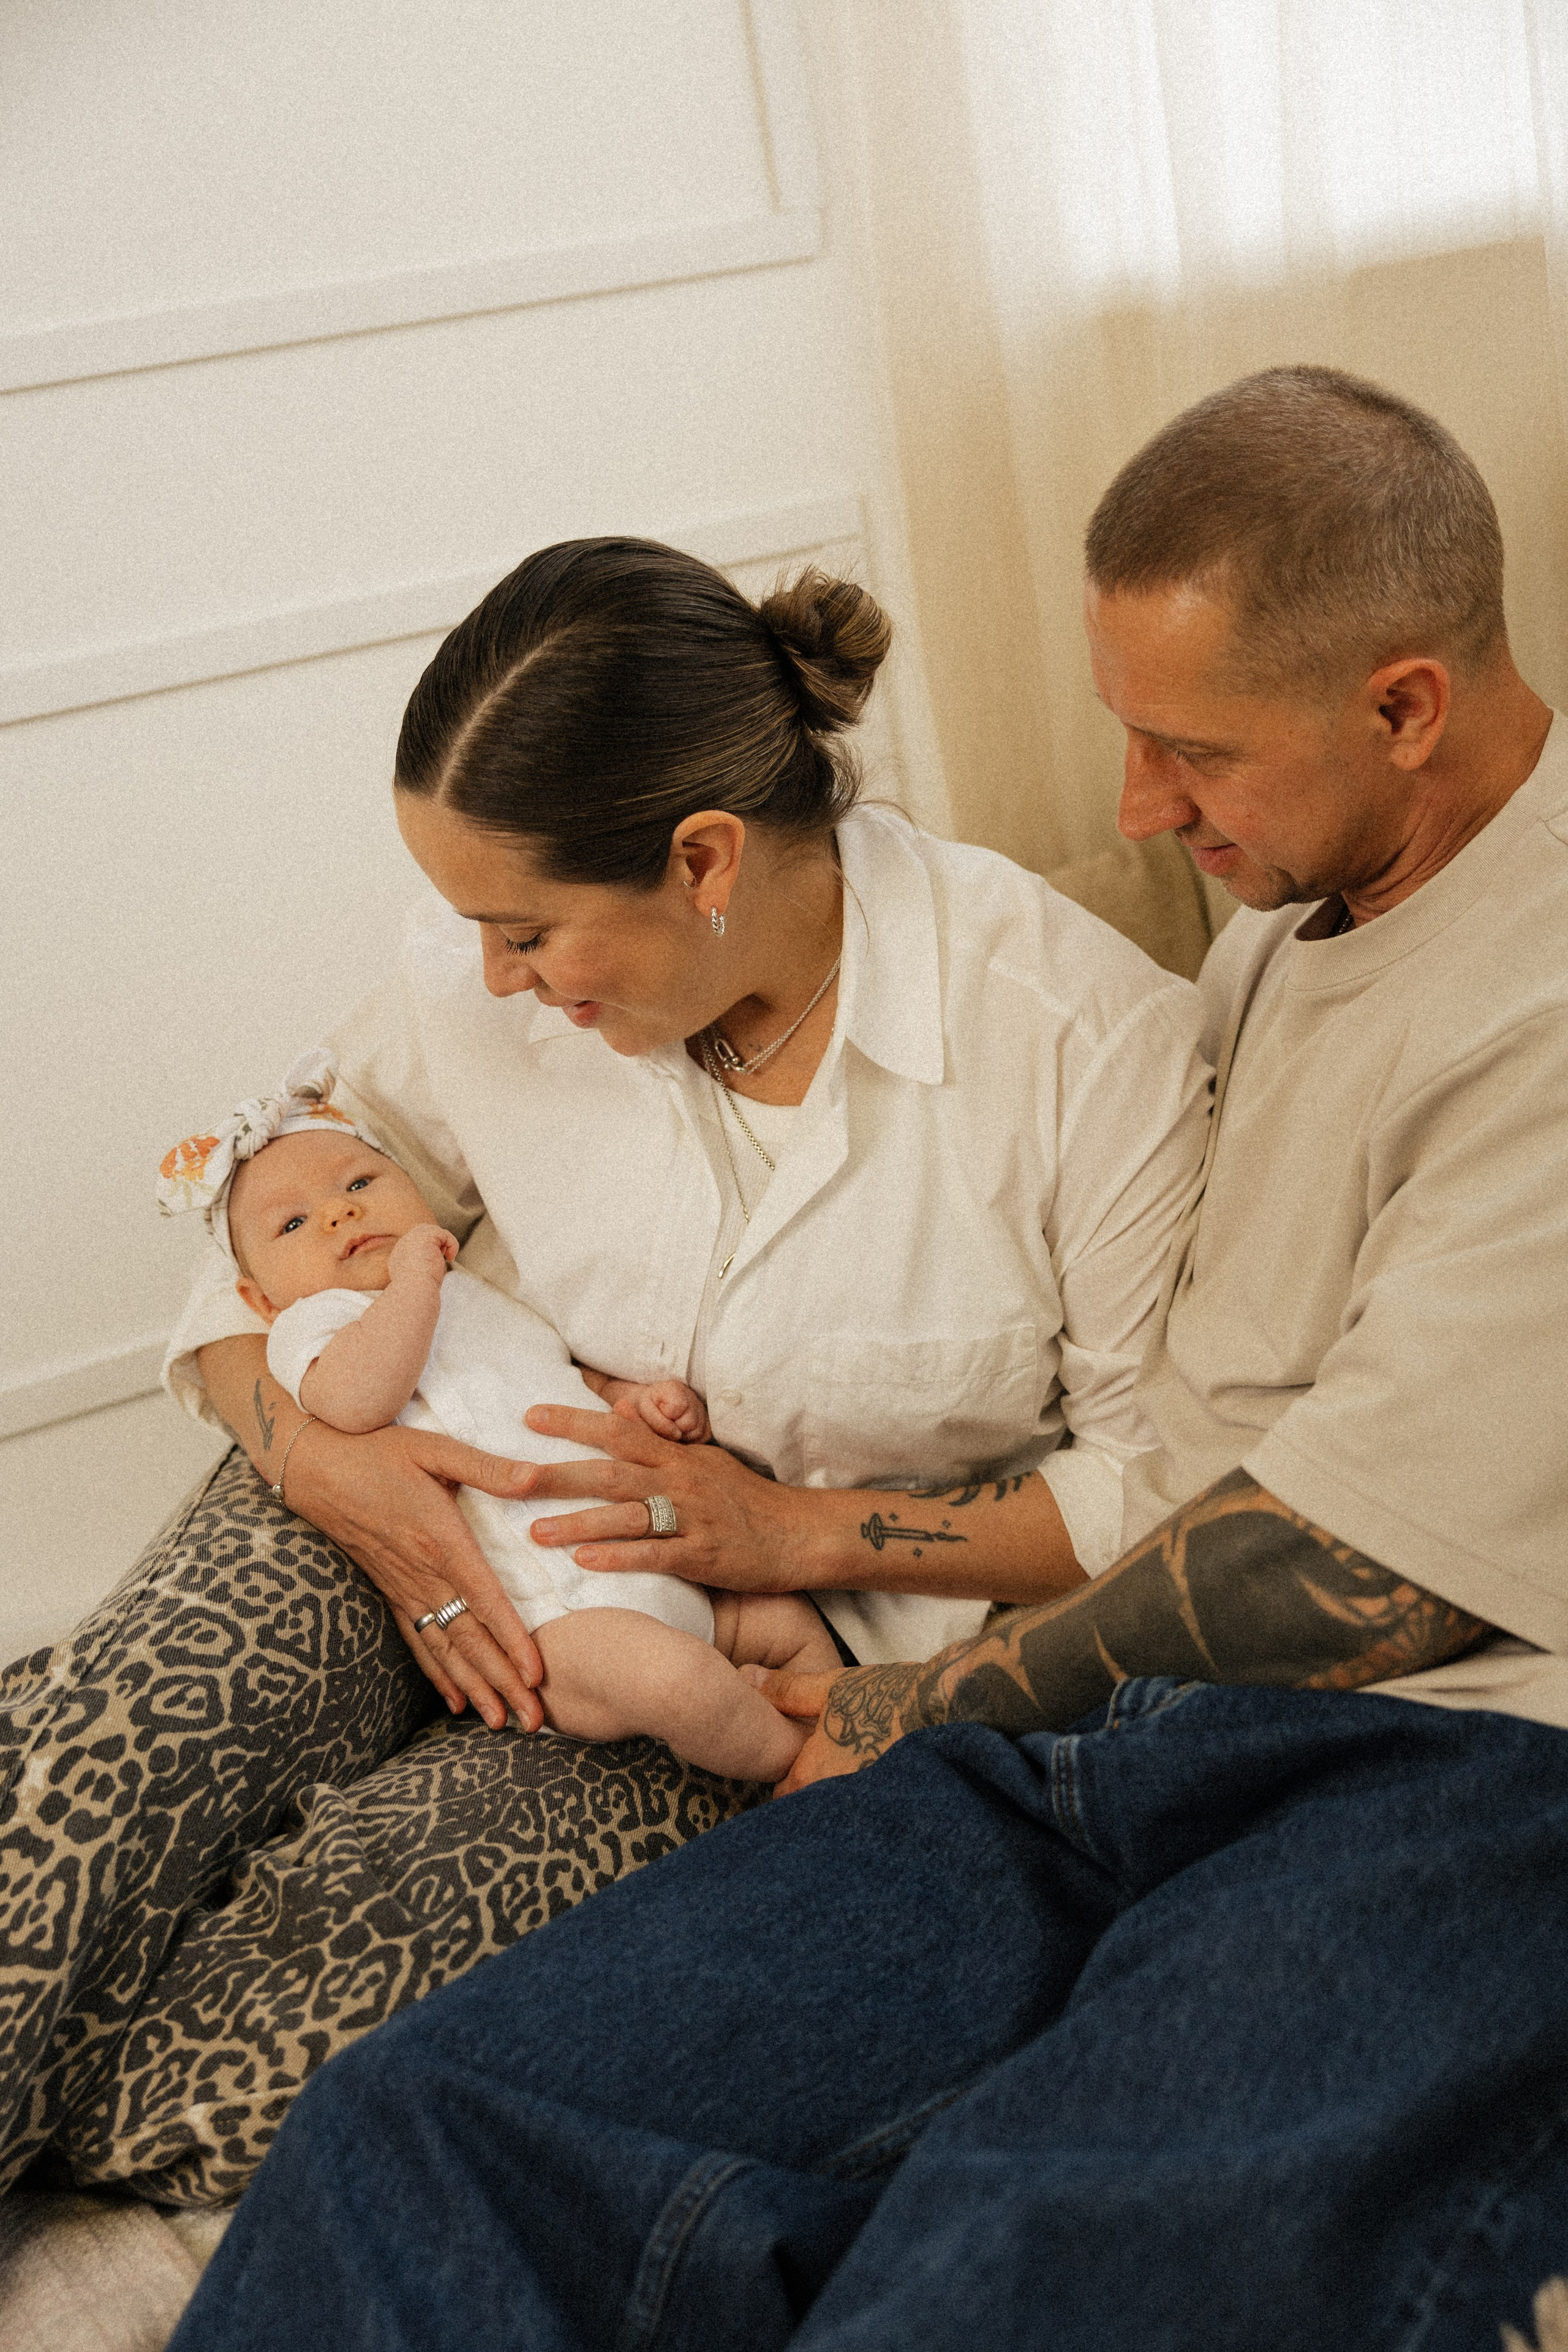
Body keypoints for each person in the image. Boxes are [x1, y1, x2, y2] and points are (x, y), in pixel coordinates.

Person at [168, 369, 1568, 2350]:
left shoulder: (1533, 990)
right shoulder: (1301, 913)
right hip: (1086, 1746)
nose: (1136, 811)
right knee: (422, 2130)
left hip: (1452, 1771)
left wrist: (909, 1694)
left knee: (1000, 2285)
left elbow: (1353, 1569)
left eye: (1186, 753)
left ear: (1404, 707)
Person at [0, 543, 1208, 2201]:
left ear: (702, 860)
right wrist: (315, 1455)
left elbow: (1149, 1489)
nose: (497, 976)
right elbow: (254, 1214)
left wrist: (790, 1533)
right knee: (106, 1754)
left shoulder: (1081, 1045)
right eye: (477, 933)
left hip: (705, 1653)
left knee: (287, 2033)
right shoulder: (471, 982)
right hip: (381, 1464)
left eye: (526, 933)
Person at [160, 1055, 845, 1780]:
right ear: (260, 1301)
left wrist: (630, 1401)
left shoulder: (476, 1294)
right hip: (559, 1621)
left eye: (359, 1183)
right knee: (675, 1683)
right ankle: (800, 1775)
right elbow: (357, 1399)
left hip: (663, 1568)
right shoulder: (313, 1325)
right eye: (294, 1223)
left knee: (786, 1624)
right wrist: (413, 1282)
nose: (340, 1213)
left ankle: (834, 1728)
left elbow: (552, 1377)